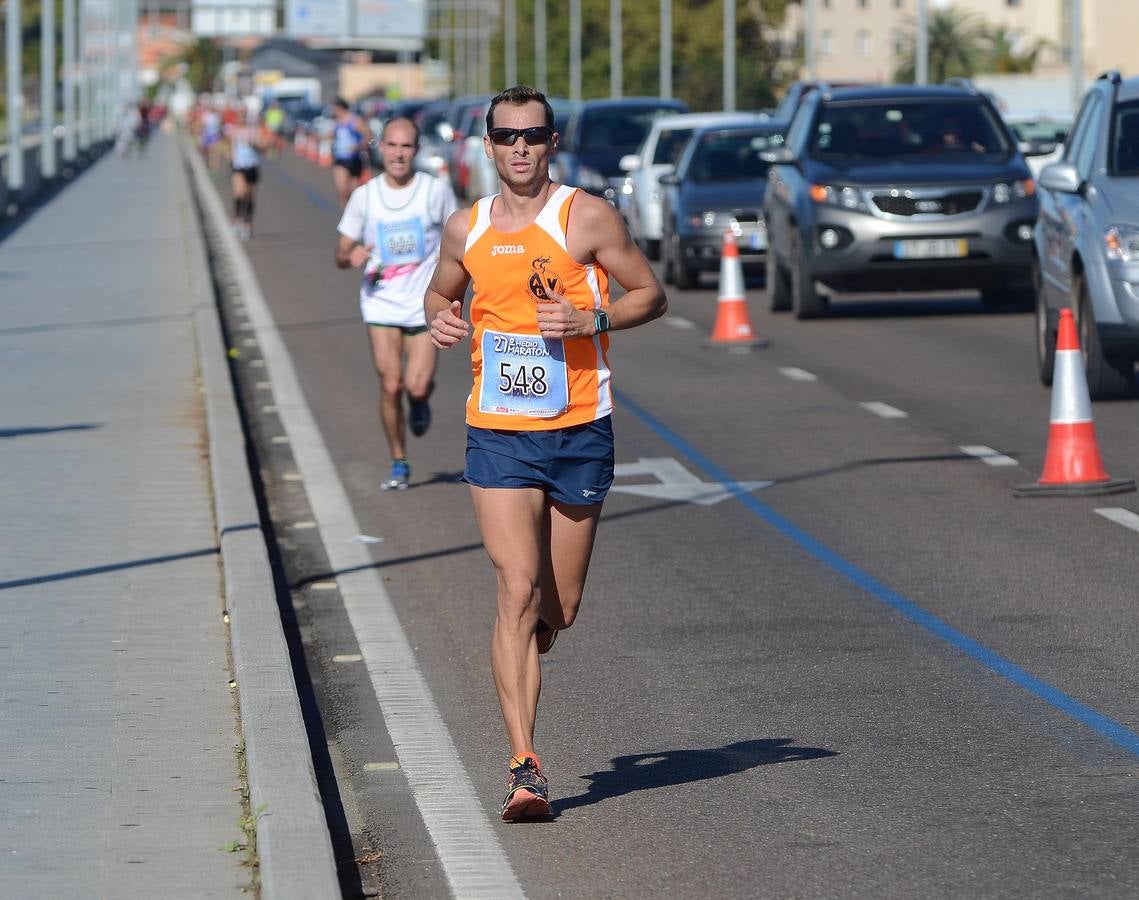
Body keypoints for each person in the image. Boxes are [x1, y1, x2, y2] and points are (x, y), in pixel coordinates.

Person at [423, 85, 667, 821]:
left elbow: (649, 294)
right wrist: (440, 320)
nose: (520, 147)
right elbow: (438, 295)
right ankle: (523, 765)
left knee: (559, 606)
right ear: (488, 146)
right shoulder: (465, 228)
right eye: (507, 136)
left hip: (578, 429)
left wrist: (593, 319)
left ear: (552, 141)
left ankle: (537, 638)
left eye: (533, 134)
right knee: (517, 589)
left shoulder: (586, 217)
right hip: (498, 430)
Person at [336, 117, 457, 489]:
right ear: (381, 147)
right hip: (381, 303)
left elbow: (459, 239)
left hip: (423, 304)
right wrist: (352, 255)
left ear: (416, 150)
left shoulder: (435, 191)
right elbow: (341, 252)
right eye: (392, 145)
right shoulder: (365, 196)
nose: (398, 154)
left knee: (416, 387)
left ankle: (420, 402)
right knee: (391, 385)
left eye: (406, 146)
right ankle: (398, 460)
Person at [330, 97, 373, 208]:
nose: (333, 111)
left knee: (353, 193)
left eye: (334, 109)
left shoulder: (355, 121)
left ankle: (353, 212)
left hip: (354, 158)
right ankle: (345, 215)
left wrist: (359, 146)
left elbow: (368, 134)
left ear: (340, 108)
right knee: (342, 190)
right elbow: (334, 136)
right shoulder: (337, 122)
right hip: (340, 159)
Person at [228, 113, 265, 241]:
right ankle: (237, 220)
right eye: (239, 117)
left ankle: (247, 224)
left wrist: (254, 143)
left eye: (243, 117)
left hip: (252, 166)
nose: (241, 119)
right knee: (239, 193)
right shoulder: (234, 131)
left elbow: (263, 146)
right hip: (239, 166)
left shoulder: (254, 131)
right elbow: (230, 146)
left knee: (249, 196)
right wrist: (232, 157)